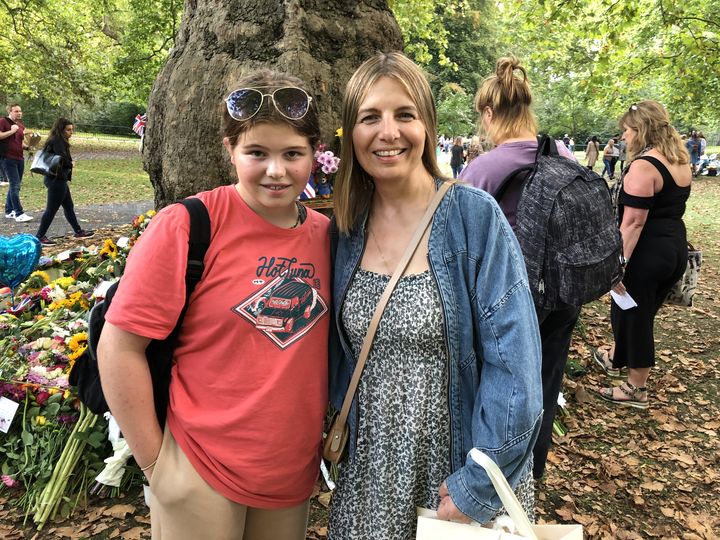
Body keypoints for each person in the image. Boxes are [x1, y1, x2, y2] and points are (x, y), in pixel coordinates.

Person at [97, 70, 331, 540]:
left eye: (292, 154)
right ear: (230, 150)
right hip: (198, 470)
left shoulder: (329, 238)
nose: (276, 170)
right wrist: (157, 466)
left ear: (316, 154)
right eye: (257, 153)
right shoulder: (187, 225)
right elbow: (119, 347)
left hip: (289, 477)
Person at [328, 51, 542, 540]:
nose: (389, 132)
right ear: (351, 132)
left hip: (457, 477)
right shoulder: (344, 229)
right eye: (370, 117)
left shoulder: (473, 219)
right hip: (371, 478)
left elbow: (518, 372)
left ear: (426, 125)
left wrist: (477, 487)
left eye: (405, 114)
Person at [459, 56, 580, 481]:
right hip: (564, 293)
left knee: (501, 387)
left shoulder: (484, 169)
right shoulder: (564, 155)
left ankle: (491, 475)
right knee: (544, 384)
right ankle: (532, 471)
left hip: (510, 299)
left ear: (489, 114)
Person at [595, 100, 691, 409]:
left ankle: (636, 388)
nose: (622, 137)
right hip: (674, 246)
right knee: (637, 310)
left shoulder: (645, 166)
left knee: (635, 316)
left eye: (626, 130)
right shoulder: (679, 160)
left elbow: (633, 222)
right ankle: (616, 356)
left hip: (646, 251)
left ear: (641, 130)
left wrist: (617, 264)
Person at [34, 118, 94, 245]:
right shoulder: (57, 141)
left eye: (72, 129)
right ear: (60, 130)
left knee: (68, 206)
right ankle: (39, 235)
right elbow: (61, 159)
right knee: (51, 209)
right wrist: (70, 163)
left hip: (59, 179)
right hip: (56, 180)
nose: (71, 132)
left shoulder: (58, 140)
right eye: (68, 130)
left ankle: (78, 231)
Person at [0, 104, 33, 222]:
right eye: (16, 111)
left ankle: (9, 211)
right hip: (7, 158)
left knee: (15, 185)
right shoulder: (3, 122)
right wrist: (11, 130)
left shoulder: (20, 126)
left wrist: (29, 147)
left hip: (19, 159)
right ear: (10, 111)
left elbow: (19, 143)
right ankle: (19, 213)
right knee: (15, 185)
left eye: (20, 111)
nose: (19, 113)